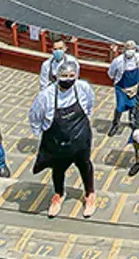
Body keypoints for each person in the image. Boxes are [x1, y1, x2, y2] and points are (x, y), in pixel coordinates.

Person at [29, 58, 97, 218]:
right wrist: (40, 133)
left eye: (71, 75)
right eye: (64, 76)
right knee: (58, 168)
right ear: (57, 76)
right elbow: (35, 116)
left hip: (80, 137)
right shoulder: (46, 96)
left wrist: (85, 120)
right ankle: (59, 194)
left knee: (84, 165)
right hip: (57, 140)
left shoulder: (82, 88)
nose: (68, 79)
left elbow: (90, 104)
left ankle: (90, 194)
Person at [107, 40, 139, 136]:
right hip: (121, 88)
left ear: (135, 49)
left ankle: (132, 120)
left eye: (132, 48)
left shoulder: (138, 58)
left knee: (134, 105)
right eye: (128, 48)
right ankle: (115, 124)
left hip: (134, 87)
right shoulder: (118, 61)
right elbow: (111, 74)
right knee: (120, 106)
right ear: (124, 49)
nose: (130, 50)